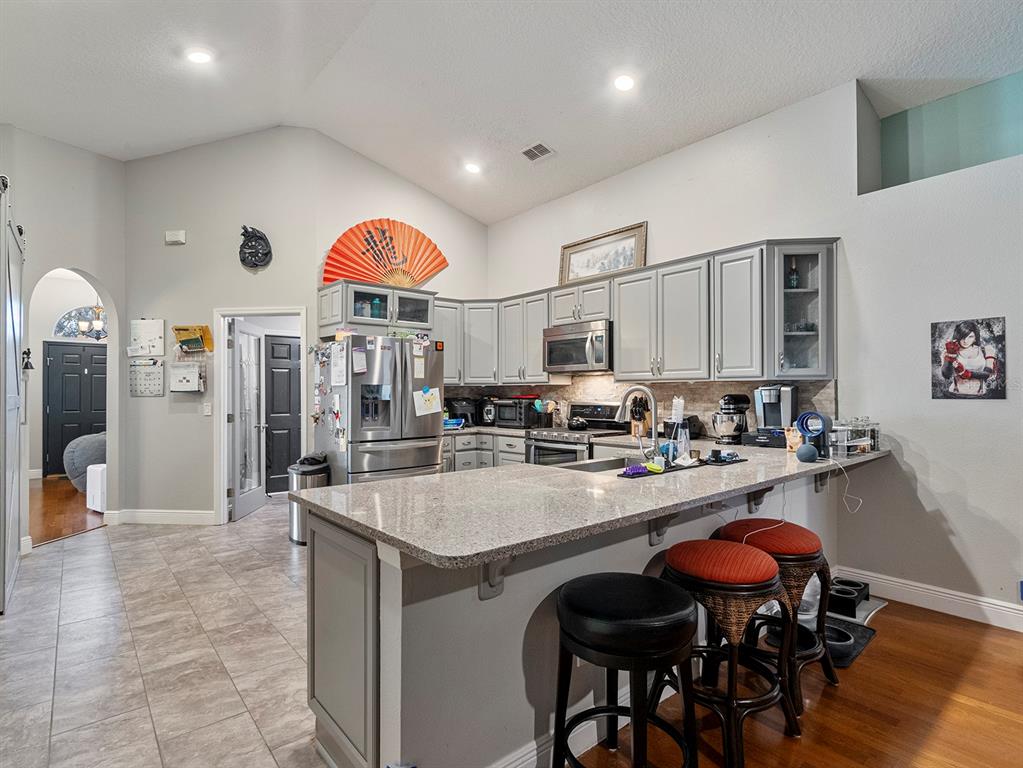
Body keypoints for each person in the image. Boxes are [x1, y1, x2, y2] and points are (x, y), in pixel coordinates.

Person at [941, 320, 998, 396]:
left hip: (980, 394)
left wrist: (966, 373)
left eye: (970, 337)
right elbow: (946, 375)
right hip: (954, 393)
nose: (965, 341)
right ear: (958, 336)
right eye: (963, 337)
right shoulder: (949, 350)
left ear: (975, 338)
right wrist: (950, 356)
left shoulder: (986, 350)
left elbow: (987, 374)